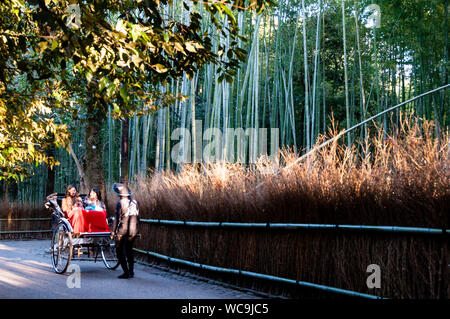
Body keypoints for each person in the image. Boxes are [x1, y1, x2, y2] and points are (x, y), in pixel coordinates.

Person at [111, 183, 139, 279]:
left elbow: (117, 219)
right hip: (134, 229)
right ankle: (131, 271)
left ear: (120, 195)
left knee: (119, 252)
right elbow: (138, 217)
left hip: (123, 230)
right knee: (129, 250)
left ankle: (126, 272)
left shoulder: (120, 203)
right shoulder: (135, 202)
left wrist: (113, 231)